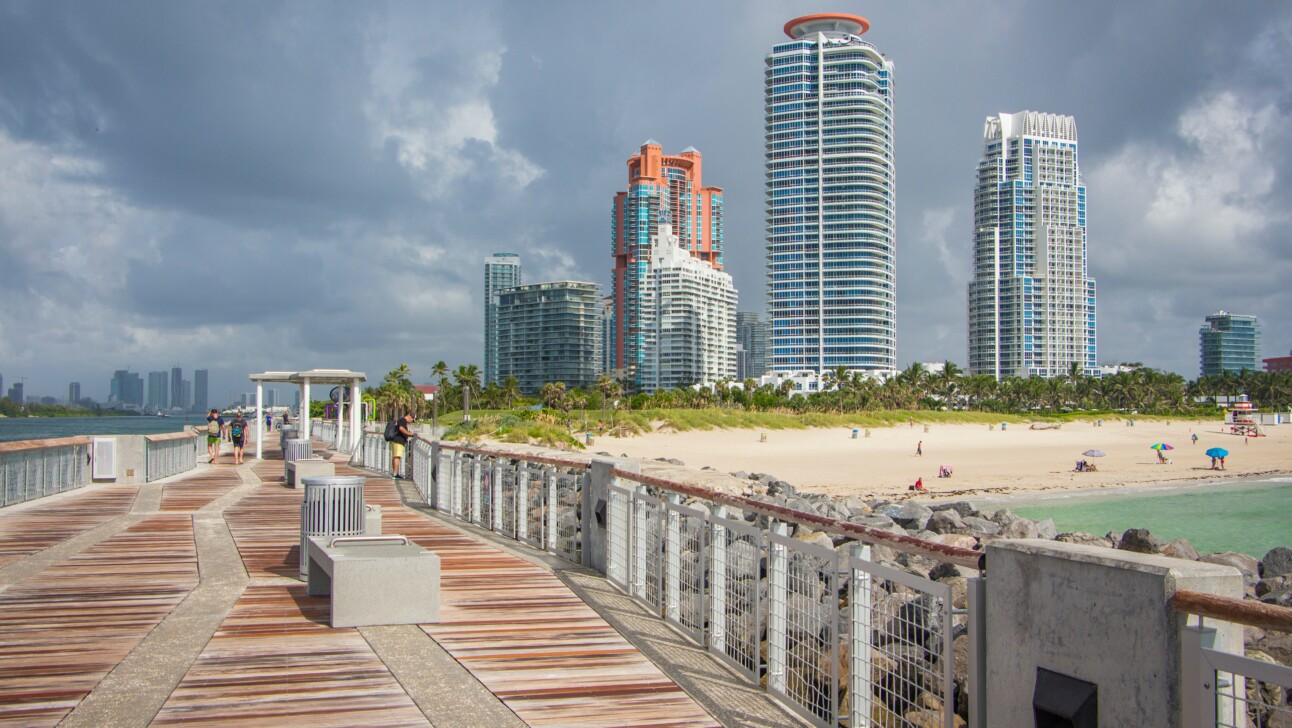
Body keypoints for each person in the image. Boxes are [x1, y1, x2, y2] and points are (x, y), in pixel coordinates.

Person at [386, 413, 414, 479]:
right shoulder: (403, 420)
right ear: (410, 417)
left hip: (395, 441)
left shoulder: (401, 420)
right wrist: (409, 434)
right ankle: (395, 474)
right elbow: (401, 428)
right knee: (397, 457)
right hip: (398, 441)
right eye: (412, 421)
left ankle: (395, 473)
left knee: (395, 457)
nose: (411, 422)